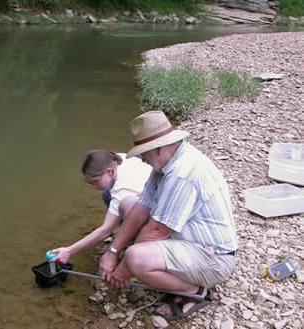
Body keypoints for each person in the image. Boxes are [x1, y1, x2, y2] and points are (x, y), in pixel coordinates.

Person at [99, 111, 238, 321]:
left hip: (214, 259)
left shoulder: (182, 174)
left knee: (136, 257)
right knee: (128, 204)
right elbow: (141, 208)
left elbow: (158, 230)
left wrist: (124, 268)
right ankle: (161, 270)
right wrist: (113, 250)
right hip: (192, 243)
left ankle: (195, 292)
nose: (143, 159)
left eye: (144, 153)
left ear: (159, 149)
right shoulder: (167, 163)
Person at [51, 149, 152, 264]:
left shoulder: (122, 189)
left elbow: (105, 230)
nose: (94, 186)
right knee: (106, 194)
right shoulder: (117, 159)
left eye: (95, 181)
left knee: (124, 204)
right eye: (90, 183)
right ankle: (126, 230)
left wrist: (69, 250)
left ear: (109, 172)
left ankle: (136, 240)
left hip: (155, 217)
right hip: (146, 199)